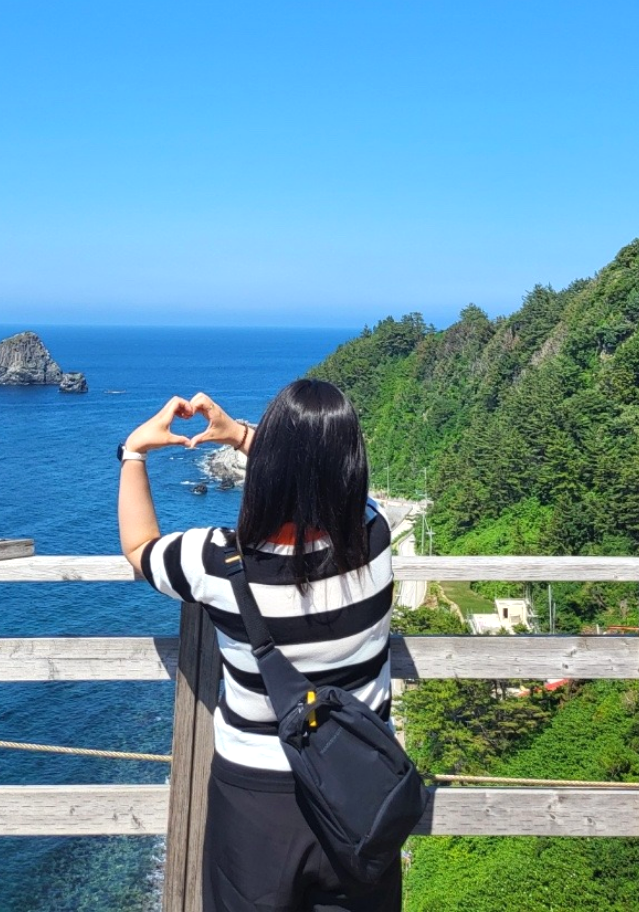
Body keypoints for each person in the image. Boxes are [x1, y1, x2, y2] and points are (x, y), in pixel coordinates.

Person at [117, 378, 399, 912]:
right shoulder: (376, 533)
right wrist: (242, 435)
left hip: (255, 800)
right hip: (361, 788)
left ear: (268, 467)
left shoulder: (218, 562)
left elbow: (139, 547)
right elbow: (342, 492)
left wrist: (134, 453)